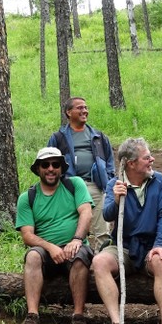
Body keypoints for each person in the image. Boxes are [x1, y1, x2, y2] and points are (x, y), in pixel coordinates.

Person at [91, 138, 162, 324]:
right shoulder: (115, 184)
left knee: (161, 260)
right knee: (99, 262)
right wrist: (118, 199)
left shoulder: (158, 180)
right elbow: (107, 214)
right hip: (124, 245)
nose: (152, 160)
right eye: (147, 157)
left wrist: (161, 245)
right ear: (131, 163)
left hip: (151, 245)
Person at [15, 147, 94, 324]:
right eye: (46, 165)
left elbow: (86, 212)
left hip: (74, 246)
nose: (51, 169)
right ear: (38, 169)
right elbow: (27, 235)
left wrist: (76, 239)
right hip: (46, 253)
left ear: (61, 167)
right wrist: (50, 247)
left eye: (55, 164)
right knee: (33, 256)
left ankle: (78, 317)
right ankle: (32, 315)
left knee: (79, 257)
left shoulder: (75, 185)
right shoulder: (28, 198)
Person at [47, 97, 116, 250]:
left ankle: (101, 258)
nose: (84, 111)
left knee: (102, 228)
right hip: (70, 188)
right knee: (74, 227)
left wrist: (109, 180)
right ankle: (77, 258)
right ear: (68, 112)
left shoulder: (98, 136)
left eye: (85, 107)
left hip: (96, 185)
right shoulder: (59, 137)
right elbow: (48, 162)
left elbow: (110, 160)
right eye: (79, 108)